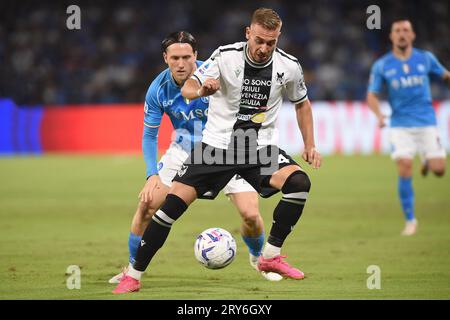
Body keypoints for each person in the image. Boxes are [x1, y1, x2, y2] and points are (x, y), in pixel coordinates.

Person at [113, 8, 321, 294]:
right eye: (259, 40)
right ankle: (133, 274)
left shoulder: (289, 66)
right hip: (216, 148)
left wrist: (309, 143)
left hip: (256, 148)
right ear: (248, 33)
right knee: (169, 207)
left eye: (270, 43)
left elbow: (302, 103)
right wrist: (201, 90)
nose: (263, 48)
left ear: (278, 38)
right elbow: (189, 87)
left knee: (298, 184)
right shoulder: (225, 56)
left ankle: (269, 257)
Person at [367, 19, 449, 236]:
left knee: (440, 170)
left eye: (406, 30)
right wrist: (379, 115)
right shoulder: (382, 65)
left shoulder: (425, 58)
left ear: (412, 35)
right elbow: (371, 95)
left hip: (426, 122)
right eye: (397, 31)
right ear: (391, 36)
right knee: (404, 167)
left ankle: (426, 158)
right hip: (400, 125)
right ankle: (410, 220)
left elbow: (445, 75)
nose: (402, 34)